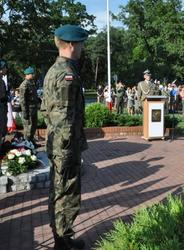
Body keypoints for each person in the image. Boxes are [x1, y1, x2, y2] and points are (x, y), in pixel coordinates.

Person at [41, 24, 88, 250]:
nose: (82, 47)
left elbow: (46, 111)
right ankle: (63, 242)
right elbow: (65, 118)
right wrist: (69, 147)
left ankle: (62, 238)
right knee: (67, 193)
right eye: (80, 43)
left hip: (57, 143)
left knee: (58, 190)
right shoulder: (67, 74)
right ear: (71, 44)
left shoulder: (53, 71)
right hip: (65, 145)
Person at [19, 67, 39, 146]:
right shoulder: (24, 85)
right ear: (27, 75)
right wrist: (25, 112)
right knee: (28, 128)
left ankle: (31, 142)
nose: (33, 75)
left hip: (33, 109)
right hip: (28, 110)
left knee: (33, 126)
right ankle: (27, 145)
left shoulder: (32, 83)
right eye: (32, 74)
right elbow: (22, 100)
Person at [0, 59, 9, 153]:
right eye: (4, 68)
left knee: (3, 129)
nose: (6, 69)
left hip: (3, 109)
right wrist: (4, 97)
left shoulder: (2, 80)